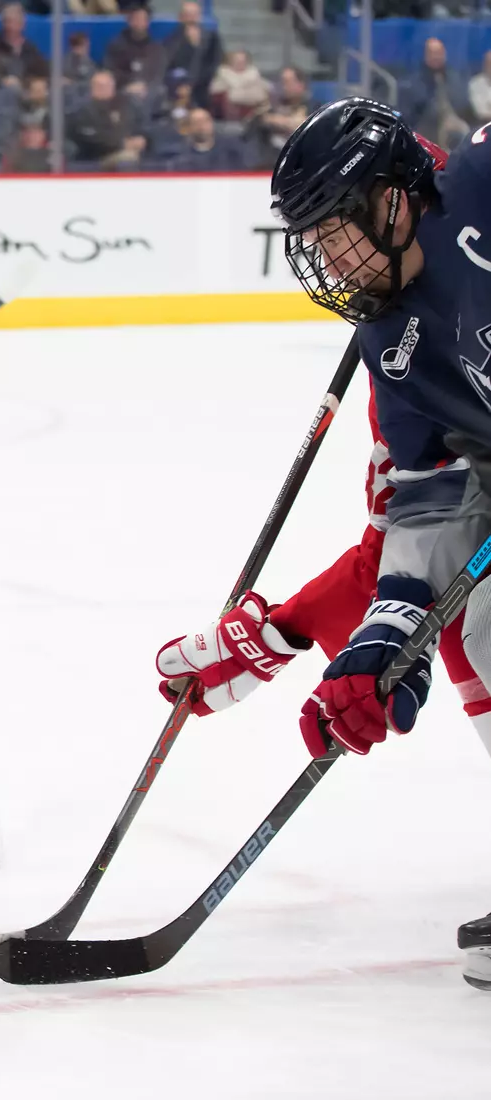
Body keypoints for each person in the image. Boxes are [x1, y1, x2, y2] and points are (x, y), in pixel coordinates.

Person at [218, 97, 491, 991]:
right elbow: (432, 502)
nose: (329, 262)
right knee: (482, 624)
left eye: (338, 232)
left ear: (395, 199)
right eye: (316, 244)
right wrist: (385, 639)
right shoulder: (390, 341)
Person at [401, 37, 472, 149]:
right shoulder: (414, 83)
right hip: (427, 129)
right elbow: (410, 116)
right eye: (432, 53)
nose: (436, 57)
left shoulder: (454, 77)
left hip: (456, 125)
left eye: (439, 53)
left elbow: (465, 105)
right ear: (425, 55)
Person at [67, 69, 145, 167]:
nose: (104, 88)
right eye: (99, 86)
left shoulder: (126, 104)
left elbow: (140, 126)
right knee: (128, 158)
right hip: (99, 156)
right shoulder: (83, 110)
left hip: (130, 151)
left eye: (108, 85)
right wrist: (121, 145)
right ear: (92, 87)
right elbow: (91, 138)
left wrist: (141, 139)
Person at [161, 1, 222, 108]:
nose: (192, 18)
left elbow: (215, 61)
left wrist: (193, 84)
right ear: (181, 17)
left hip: (204, 82)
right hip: (179, 83)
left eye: (194, 14)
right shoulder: (172, 40)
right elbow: (169, 63)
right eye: (188, 15)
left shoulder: (211, 37)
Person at [0, 2, 50, 90]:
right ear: (2, 23)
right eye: (8, 21)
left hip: (27, 91)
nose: (11, 26)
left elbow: (42, 73)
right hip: (0, 94)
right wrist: (3, 80)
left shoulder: (30, 47)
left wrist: (38, 82)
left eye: (16, 22)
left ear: (23, 24)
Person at [104, 6, 167, 93]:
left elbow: (158, 72)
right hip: (123, 90)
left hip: (149, 91)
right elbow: (111, 71)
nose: (139, 23)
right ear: (129, 21)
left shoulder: (155, 47)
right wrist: (129, 85)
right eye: (136, 19)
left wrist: (146, 86)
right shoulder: (117, 45)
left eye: (143, 19)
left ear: (147, 22)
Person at [170, 107, 244, 170]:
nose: (201, 125)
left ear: (212, 123)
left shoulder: (230, 155)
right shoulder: (180, 157)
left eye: (205, 120)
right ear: (189, 127)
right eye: (196, 122)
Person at [209, 49, 271, 122]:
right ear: (231, 62)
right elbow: (219, 93)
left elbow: (260, 95)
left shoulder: (254, 76)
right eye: (237, 61)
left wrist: (235, 93)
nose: (240, 63)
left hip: (254, 118)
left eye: (242, 61)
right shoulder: (223, 76)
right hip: (228, 119)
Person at [469, 50, 491, 127]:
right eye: (489, 64)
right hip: (483, 125)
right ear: (485, 65)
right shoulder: (475, 84)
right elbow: (481, 112)